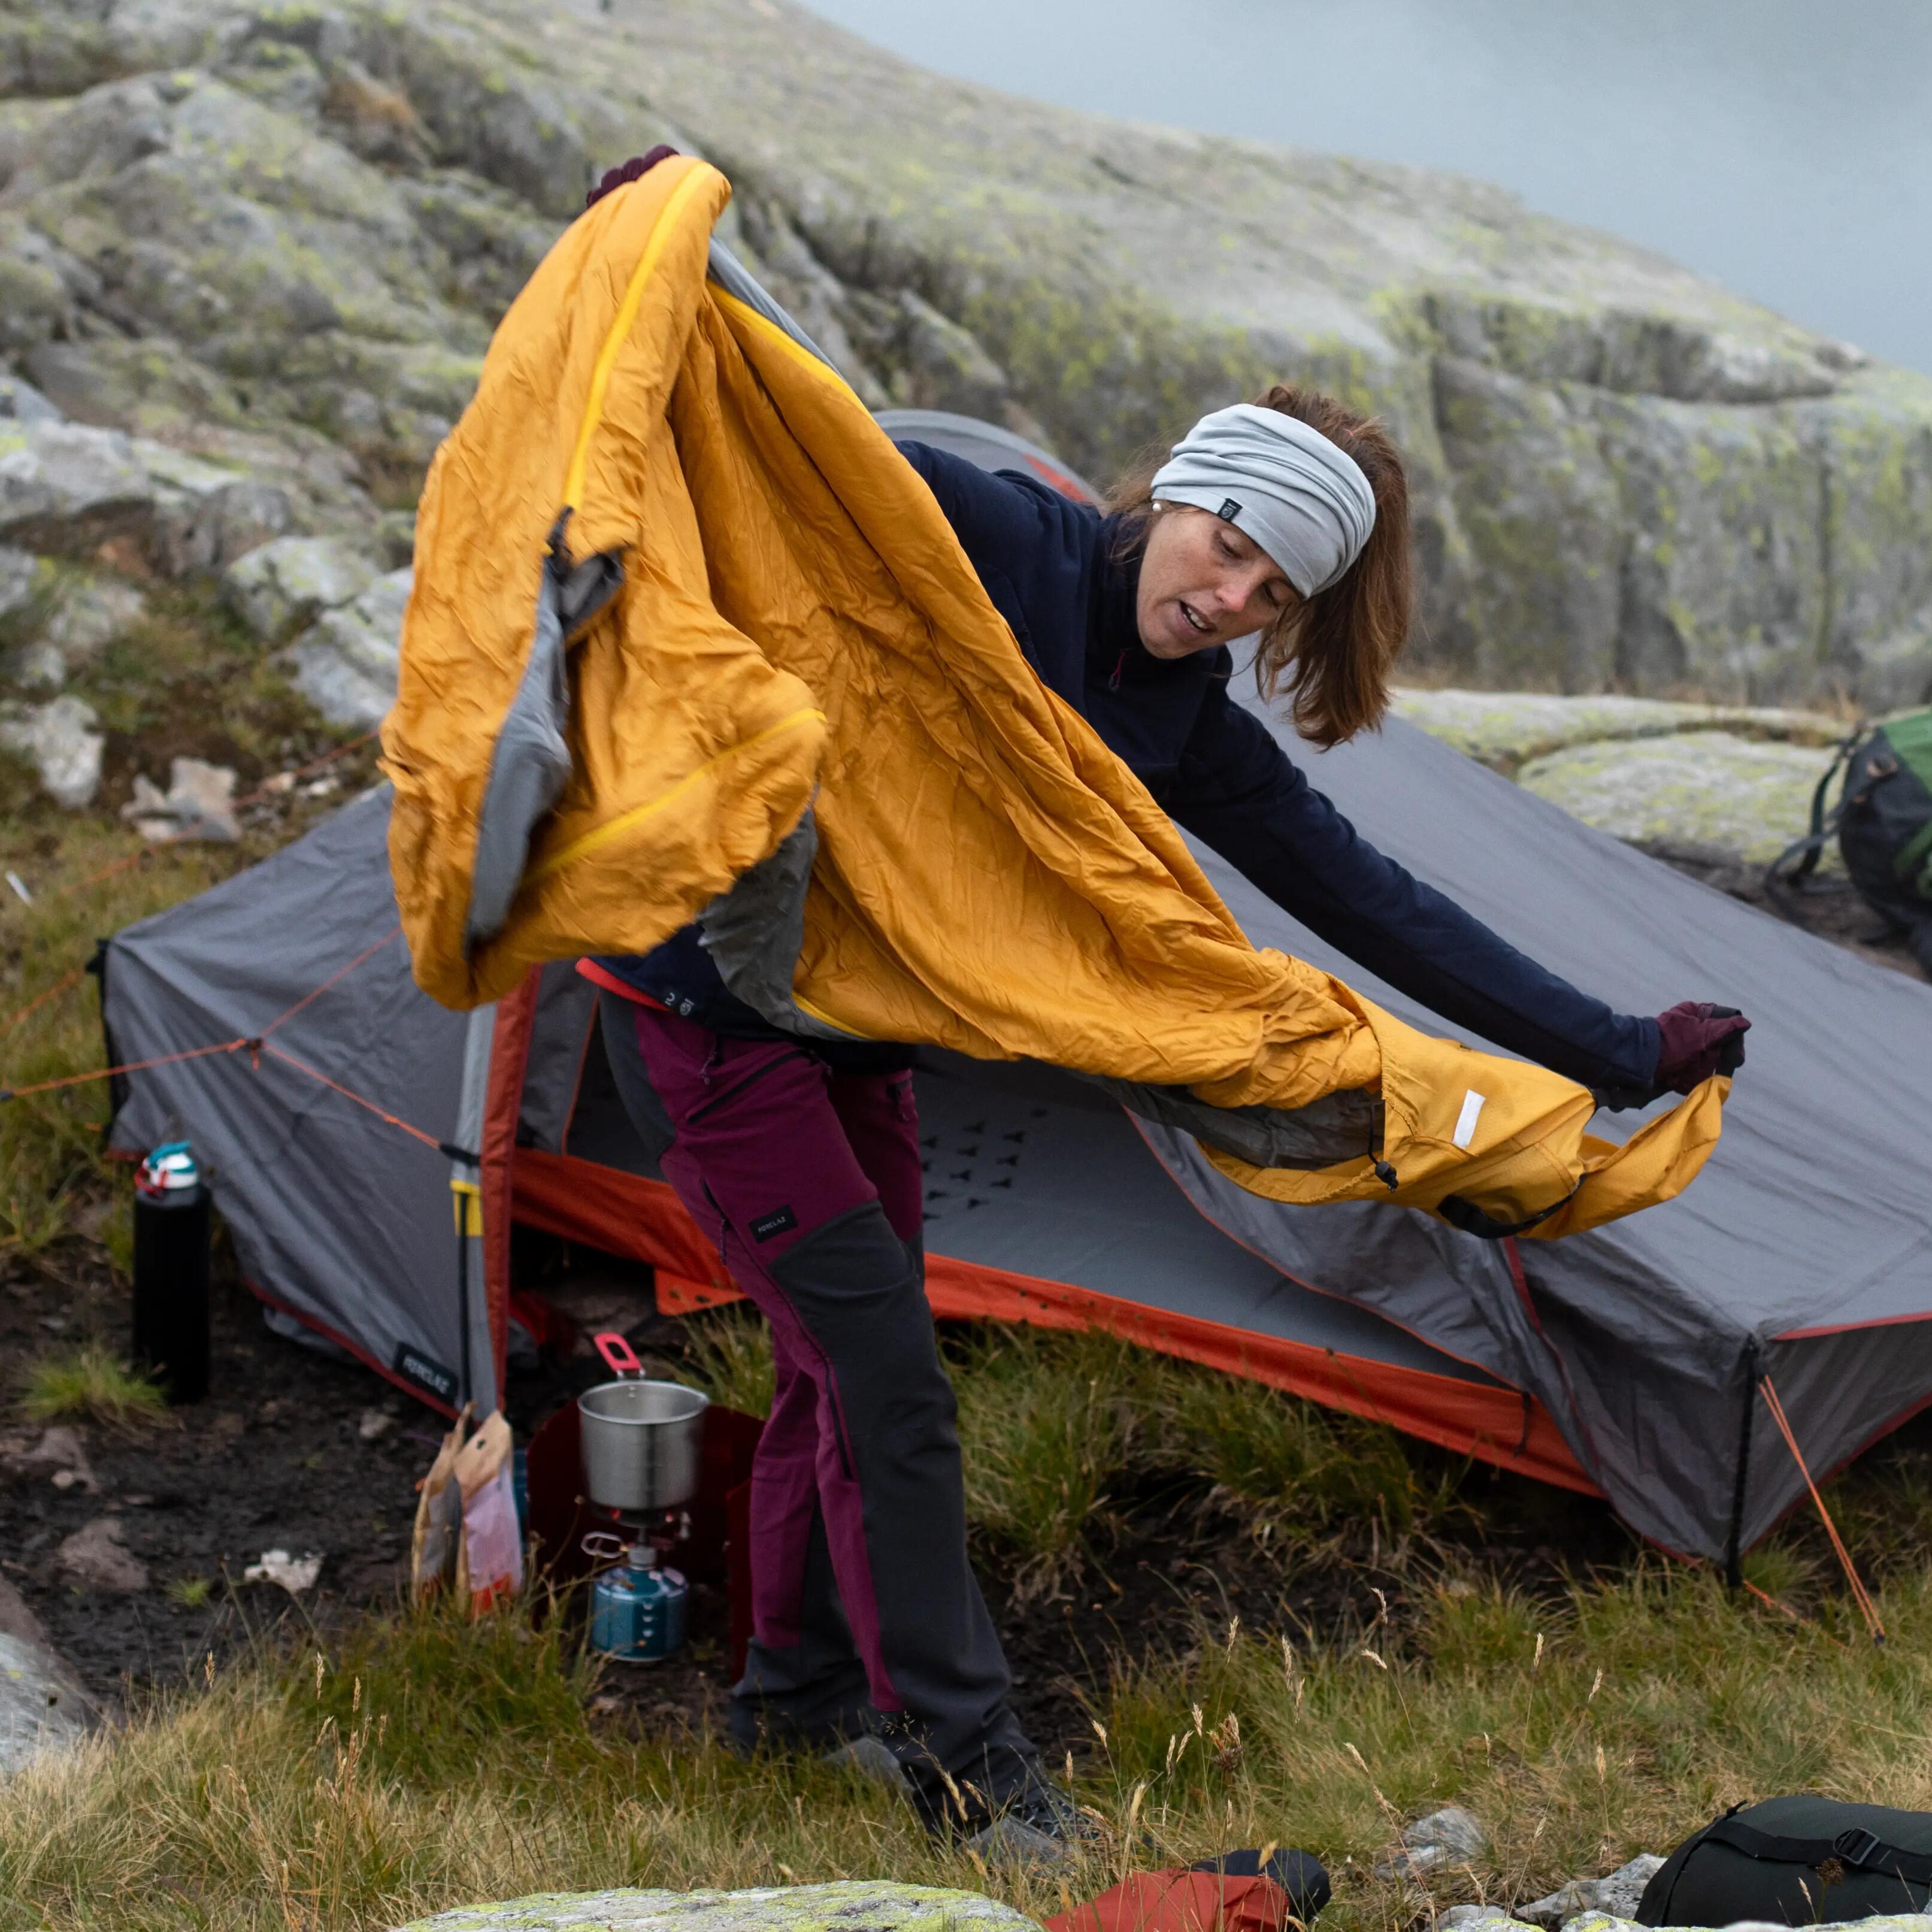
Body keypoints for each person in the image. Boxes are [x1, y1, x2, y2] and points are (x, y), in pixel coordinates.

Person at [574, 153, 1751, 1850]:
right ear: (1183, 490)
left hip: (857, 1036)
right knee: (891, 1380)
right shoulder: (983, 526)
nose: (1227, 596)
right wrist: (666, 269)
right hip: (699, 1011)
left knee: (847, 1373)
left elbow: (1372, 898)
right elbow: (778, 441)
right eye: (1228, 547)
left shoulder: (1186, 719)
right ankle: (973, 1764)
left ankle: (787, 1708)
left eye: (1273, 594)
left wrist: (1618, 1048)